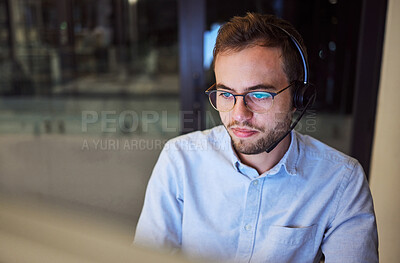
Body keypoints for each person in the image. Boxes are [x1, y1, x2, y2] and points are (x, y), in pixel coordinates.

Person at [134, 13, 378, 263]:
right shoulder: (179, 160)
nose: (239, 115)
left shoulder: (341, 181)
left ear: (298, 98)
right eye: (226, 94)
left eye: (260, 95)